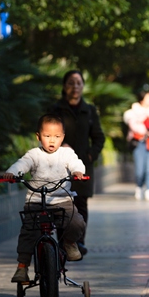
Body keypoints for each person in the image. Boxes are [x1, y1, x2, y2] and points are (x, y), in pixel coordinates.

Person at [1, 114, 87, 283]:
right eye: (47, 136)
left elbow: (76, 163)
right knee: (29, 231)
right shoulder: (34, 154)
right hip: (36, 201)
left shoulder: (66, 154)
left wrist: (78, 172)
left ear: (63, 137)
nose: (52, 141)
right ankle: (22, 267)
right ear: (38, 136)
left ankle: (69, 242)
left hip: (62, 199)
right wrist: (12, 173)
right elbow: (22, 164)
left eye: (57, 136)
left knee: (76, 222)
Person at [48, 70, 105, 255]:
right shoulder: (56, 110)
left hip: (82, 167)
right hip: (59, 166)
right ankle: (63, 244)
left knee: (80, 205)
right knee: (61, 205)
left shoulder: (89, 110)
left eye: (79, 83)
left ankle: (78, 242)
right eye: (71, 83)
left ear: (83, 86)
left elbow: (99, 138)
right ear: (65, 86)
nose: (75, 87)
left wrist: (90, 155)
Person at [123, 87, 149, 201]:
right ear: (142, 99)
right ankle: (139, 186)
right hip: (139, 143)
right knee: (140, 170)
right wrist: (144, 128)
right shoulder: (132, 112)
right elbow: (133, 126)